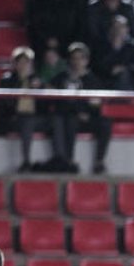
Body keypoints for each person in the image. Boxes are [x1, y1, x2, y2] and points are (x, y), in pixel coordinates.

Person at [50, 42, 111, 174]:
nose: (77, 61)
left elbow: (96, 104)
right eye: (74, 58)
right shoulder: (62, 78)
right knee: (70, 120)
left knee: (105, 123)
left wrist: (87, 113)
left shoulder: (93, 80)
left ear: (86, 60)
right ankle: (70, 160)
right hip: (71, 118)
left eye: (80, 58)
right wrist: (77, 111)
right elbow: (57, 99)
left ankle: (99, 162)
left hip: (88, 118)